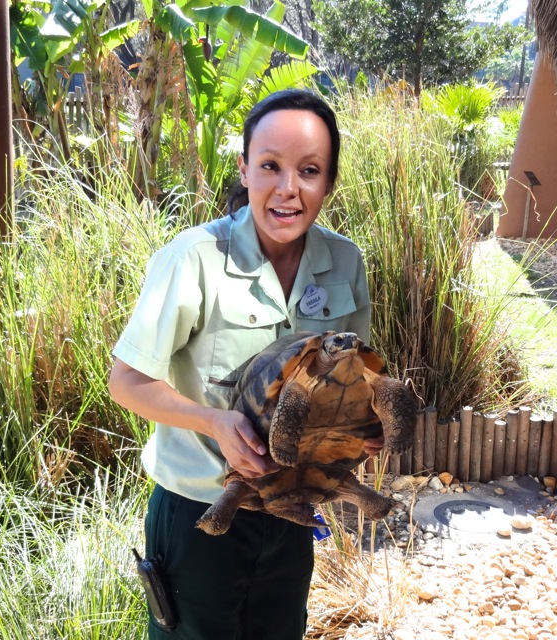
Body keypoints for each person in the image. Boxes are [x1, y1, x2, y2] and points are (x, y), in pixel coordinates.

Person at [108, 88, 382, 640]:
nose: (288, 189)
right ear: (245, 168)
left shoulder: (344, 262)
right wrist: (213, 421)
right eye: (270, 166)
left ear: (328, 181)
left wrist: (361, 429)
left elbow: (357, 377)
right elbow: (127, 381)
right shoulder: (194, 258)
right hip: (200, 512)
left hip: (293, 510)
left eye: (309, 170)